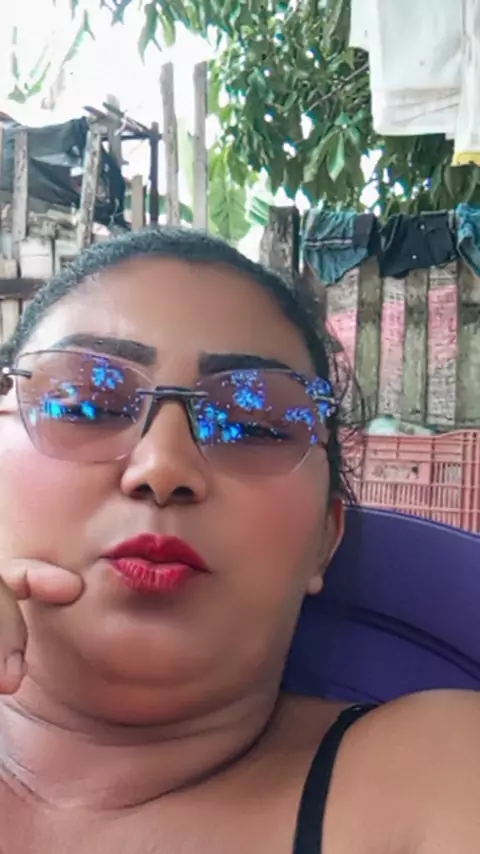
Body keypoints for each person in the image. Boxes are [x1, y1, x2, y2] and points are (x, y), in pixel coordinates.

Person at [0, 227, 478, 854]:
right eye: (84, 404)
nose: (163, 467)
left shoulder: (440, 782)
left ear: (325, 539)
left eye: (254, 426)